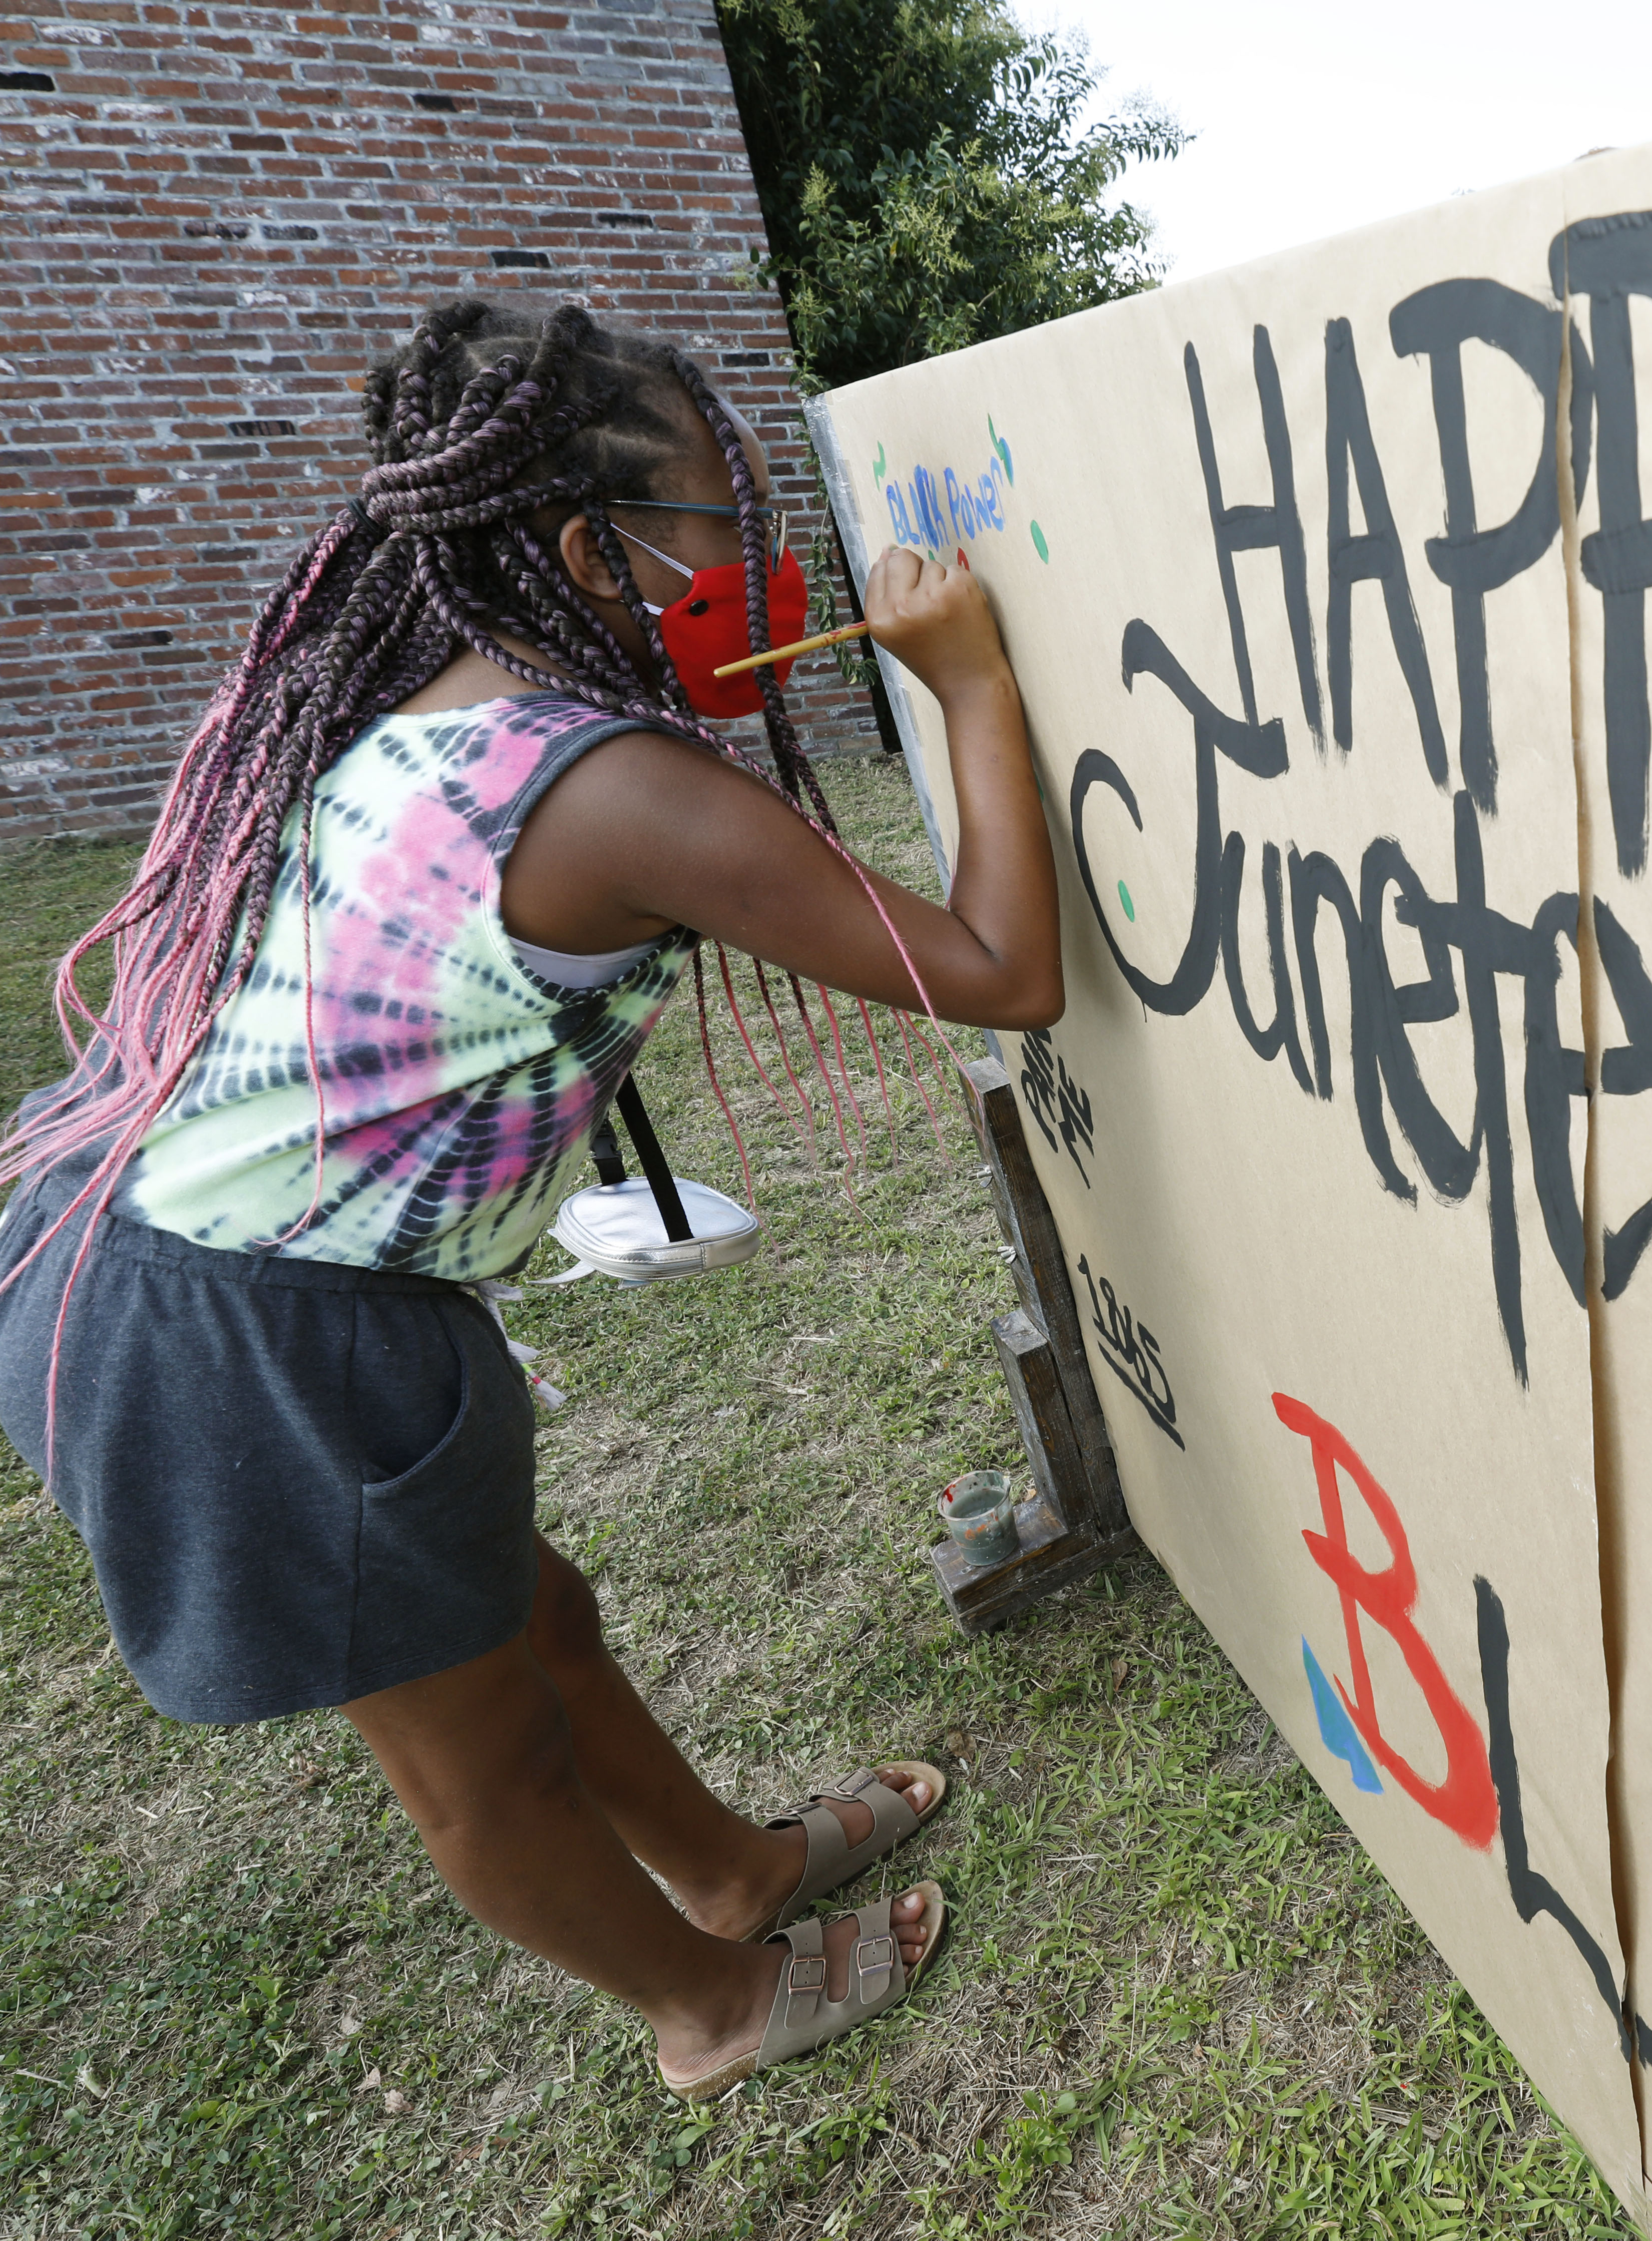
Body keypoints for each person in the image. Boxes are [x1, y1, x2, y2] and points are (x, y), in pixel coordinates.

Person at [0, 298, 1062, 2099]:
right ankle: (711, 2003)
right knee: (471, 1755)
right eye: (732, 522)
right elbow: (999, 970)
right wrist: (966, 683)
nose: (771, 563)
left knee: (528, 1617)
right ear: (592, 549)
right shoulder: (618, 790)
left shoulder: (419, 705)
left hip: (180, 1249)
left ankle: (726, 1870)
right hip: (233, 1332)